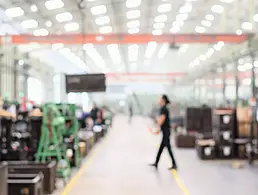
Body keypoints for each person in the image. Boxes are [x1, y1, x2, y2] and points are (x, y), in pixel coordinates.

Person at [150, 94, 177, 170]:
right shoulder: (163, 108)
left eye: (160, 99)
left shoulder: (164, 109)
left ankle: (173, 164)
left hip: (166, 132)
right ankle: (156, 162)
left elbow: (162, 119)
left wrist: (157, 127)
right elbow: (161, 119)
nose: (159, 100)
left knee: (167, 148)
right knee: (163, 148)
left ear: (163, 100)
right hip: (165, 131)